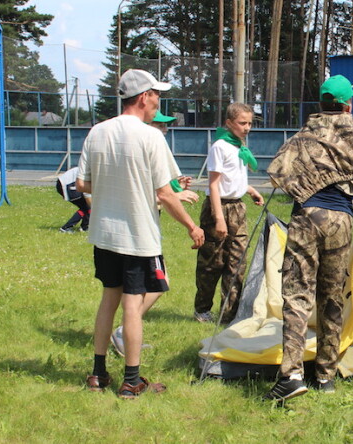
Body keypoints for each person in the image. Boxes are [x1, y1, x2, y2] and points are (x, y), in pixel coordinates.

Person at [264, 75, 353, 401]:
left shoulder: (303, 135)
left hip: (305, 217)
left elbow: (276, 171)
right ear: (347, 104)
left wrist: (306, 184)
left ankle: (291, 374)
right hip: (340, 219)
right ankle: (325, 376)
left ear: (321, 103)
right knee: (331, 297)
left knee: (297, 294)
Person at [77, 69, 205, 399]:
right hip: (137, 237)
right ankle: (131, 381)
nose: (158, 102)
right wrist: (192, 226)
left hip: (105, 235)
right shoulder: (151, 137)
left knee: (109, 300)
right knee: (132, 307)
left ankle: (98, 374)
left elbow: (82, 184)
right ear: (144, 97)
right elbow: (164, 193)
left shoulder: (97, 132)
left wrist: (116, 185)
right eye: (156, 95)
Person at [109, 110, 198, 357]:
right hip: (138, 234)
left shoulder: (141, 146)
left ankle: (123, 335)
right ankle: (123, 332)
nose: (165, 130)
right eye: (160, 125)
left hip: (131, 230)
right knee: (158, 284)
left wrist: (176, 189)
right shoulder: (145, 143)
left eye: (166, 126)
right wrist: (175, 198)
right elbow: (149, 193)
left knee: (129, 290)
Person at [194, 103, 264, 324]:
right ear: (229, 123)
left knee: (237, 261)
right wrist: (219, 219)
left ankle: (230, 314)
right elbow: (214, 185)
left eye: (250, 123)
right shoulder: (220, 146)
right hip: (219, 207)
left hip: (237, 207)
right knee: (212, 262)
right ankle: (202, 309)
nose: (247, 128)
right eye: (242, 123)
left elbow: (234, 178)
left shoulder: (239, 147)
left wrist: (251, 190)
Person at [55, 166, 91, 233]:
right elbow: (87, 193)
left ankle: (84, 227)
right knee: (87, 207)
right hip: (67, 184)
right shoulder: (93, 173)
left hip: (65, 182)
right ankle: (66, 228)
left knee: (87, 207)